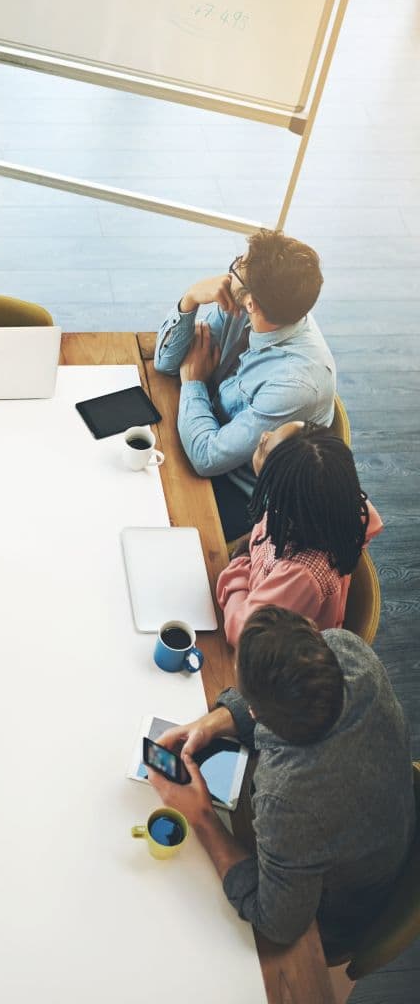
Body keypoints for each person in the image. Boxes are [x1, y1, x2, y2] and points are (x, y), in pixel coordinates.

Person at [148, 607, 414, 955]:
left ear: (256, 712)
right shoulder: (347, 649)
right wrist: (212, 723)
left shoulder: (287, 801)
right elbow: (295, 687)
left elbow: (279, 924)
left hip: (345, 910)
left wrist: (201, 817)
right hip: (386, 826)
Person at [153, 229, 336, 540]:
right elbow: (167, 363)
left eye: (238, 266)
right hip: (206, 430)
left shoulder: (295, 383)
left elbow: (206, 458)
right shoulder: (253, 309)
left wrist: (194, 383)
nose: (232, 270)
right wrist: (190, 299)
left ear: (251, 303)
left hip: (238, 491)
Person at [217, 423, 383, 646]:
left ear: (279, 485)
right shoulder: (311, 505)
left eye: (267, 448)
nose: (265, 435)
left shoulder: (301, 576)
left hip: (267, 649)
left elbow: (242, 633)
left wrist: (238, 568)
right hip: (263, 602)